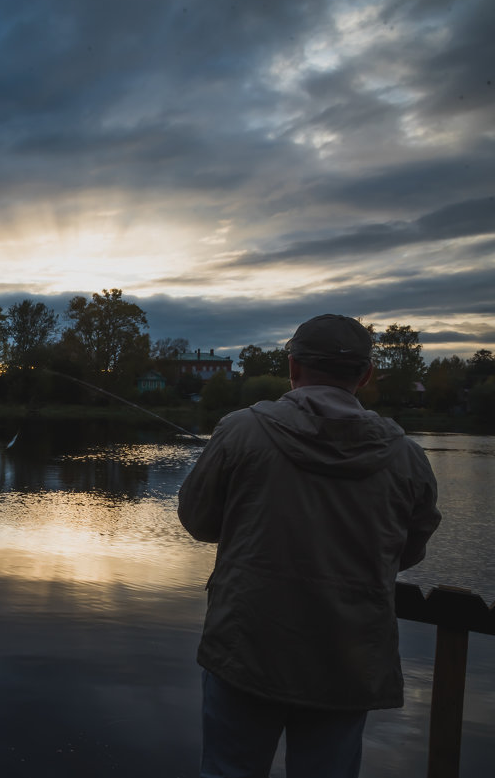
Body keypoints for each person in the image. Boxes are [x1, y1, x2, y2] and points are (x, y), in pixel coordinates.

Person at [178, 314, 440, 778]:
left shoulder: (240, 431)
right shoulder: (407, 458)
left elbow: (198, 522)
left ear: (293, 366)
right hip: (349, 656)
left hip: (246, 648)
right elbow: (408, 551)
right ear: (365, 375)